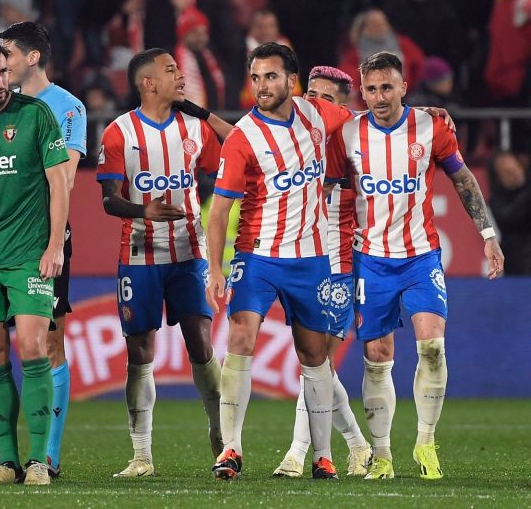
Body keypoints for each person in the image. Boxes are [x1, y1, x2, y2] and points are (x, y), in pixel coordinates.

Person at [328, 51, 504, 481]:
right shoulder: (347, 133)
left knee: (432, 346)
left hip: (421, 256)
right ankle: (383, 455)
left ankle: (425, 443)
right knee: (377, 355)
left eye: (387, 87)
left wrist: (487, 235)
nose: (379, 96)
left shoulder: (431, 126)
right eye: (370, 89)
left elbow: (463, 179)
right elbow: (332, 193)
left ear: (404, 87)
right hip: (370, 260)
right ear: (362, 92)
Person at [205, 42, 356, 482]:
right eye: (255, 78)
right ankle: (231, 449)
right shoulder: (243, 139)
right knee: (241, 337)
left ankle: (322, 456)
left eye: (270, 77)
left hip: (310, 259)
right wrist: (216, 268)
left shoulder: (317, 115)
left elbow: (371, 123)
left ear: (293, 81)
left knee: (314, 356)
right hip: (257, 256)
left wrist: (424, 112)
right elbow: (219, 211)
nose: (261, 86)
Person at [0, 20, 86, 481]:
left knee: (35, 344)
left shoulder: (42, 113)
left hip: (30, 251)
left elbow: (60, 181)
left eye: (3, 71)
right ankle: (3, 459)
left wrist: (54, 245)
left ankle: (42, 459)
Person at [96, 47, 230, 478]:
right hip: (139, 256)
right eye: (170, 70)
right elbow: (108, 199)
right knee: (141, 351)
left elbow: (242, 145)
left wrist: (199, 110)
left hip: (189, 252)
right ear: (147, 82)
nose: (180, 75)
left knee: (202, 343)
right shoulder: (119, 132)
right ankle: (141, 456)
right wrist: (142, 212)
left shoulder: (194, 127)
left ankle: (221, 438)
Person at [271, 65, 372, 479]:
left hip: (338, 259)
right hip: (301, 256)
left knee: (318, 361)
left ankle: (298, 452)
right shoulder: (292, 136)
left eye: (325, 99)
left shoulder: (357, 140)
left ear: (344, 107)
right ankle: (357, 444)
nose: (315, 105)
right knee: (318, 364)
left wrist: (433, 111)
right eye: (310, 95)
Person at [488, 151, 531, 275]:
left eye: (516, 168)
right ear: (497, 178)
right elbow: (509, 217)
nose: (515, 174)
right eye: (507, 172)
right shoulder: (496, 201)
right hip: (519, 266)